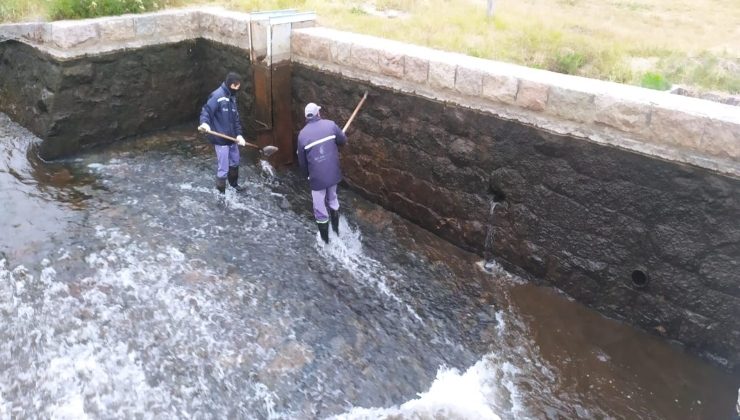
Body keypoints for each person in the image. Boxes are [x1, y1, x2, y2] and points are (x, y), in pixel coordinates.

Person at [297, 102, 347, 243]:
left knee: (320, 209)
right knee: (333, 200)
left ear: (306, 117)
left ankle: (326, 243)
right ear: (318, 113)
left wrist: (307, 176)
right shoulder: (330, 125)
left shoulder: (302, 135)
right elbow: (343, 140)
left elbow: (302, 161)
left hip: (317, 179)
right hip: (333, 174)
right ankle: (336, 232)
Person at [198, 72, 247, 194]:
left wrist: (239, 134)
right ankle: (221, 194)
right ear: (230, 84)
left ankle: (234, 185)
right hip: (220, 140)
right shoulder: (217, 96)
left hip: (232, 139)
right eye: (236, 87)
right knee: (223, 168)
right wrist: (205, 123)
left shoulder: (232, 98)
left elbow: (236, 119)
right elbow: (206, 111)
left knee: (235, 162)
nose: (237, 90)